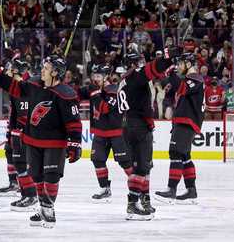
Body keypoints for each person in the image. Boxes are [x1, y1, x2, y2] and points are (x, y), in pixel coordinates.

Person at [0, 55, 82, 228]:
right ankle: (43, 208)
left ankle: (48, 209)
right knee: (37, 176)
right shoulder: (34, 84)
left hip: (55, 143)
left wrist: (74, 143)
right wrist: (0, 74)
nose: (42, 70)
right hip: (32, 140)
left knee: (51, 176)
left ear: (55, 72)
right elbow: (15, 88)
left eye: (46, 68)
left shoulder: (66, 94)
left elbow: (73, 122)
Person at [117, 50, 172, 220]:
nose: (142, 64)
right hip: (138, 125)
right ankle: (133, 204)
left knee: (140, 166)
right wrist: (167, 59)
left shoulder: (123, 81)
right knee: (142, 167)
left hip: (126, 126)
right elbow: (153, 69)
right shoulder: (136, 76)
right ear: (134, 64)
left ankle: (143, 199)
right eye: (140, 61)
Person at [78, 65, 132, 202]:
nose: (95, 79)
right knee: (97, 159)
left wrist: (95, 93)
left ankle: (138, 188)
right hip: (100, 131)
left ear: (106, 76)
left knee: (125, 162)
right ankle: (104, 188)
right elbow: (76, 94)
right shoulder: (95, 89)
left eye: (98, 76)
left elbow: (105, 108)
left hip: (116, 131)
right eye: (94, 76)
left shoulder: (114, 90)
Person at [155, 53, 204, 204]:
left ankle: (171, 190)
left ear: (189, 64)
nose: (178, 67)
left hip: (187, 122)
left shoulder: (195, 78)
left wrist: (171, 73)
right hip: (184, 121)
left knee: (175, 152)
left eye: (181, 64)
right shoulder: (191, 79)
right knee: (184, 156)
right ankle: (191, 190)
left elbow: (182, 87)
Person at [0, 58, 38, 209]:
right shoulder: (16, 85)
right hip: (16, 131)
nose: (8, 71)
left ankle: (30, 194)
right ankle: (18, 186)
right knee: (11, 154)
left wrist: (17, 131)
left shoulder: (24, 87)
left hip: (25, 133)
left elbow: (24, 114)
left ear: (15, 71)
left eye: (10, 69)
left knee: (22, 163)